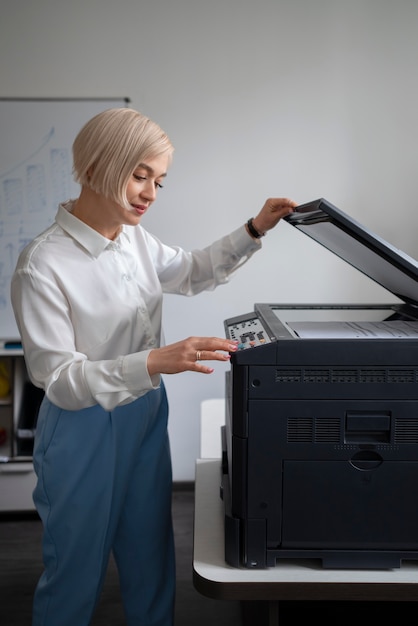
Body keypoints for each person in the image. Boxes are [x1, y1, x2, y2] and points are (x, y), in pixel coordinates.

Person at [11, 107, 297, 626]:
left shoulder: (134, 239)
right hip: (81, 428)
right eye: (139, 175)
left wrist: (255, 229)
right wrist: (154, 361)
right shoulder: (42, 264)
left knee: (151, 558)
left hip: (144, 413)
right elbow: (58, 380)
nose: (149, 193)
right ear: (96, 166)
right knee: (75, 573)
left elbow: (191, 271)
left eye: (159, 181)